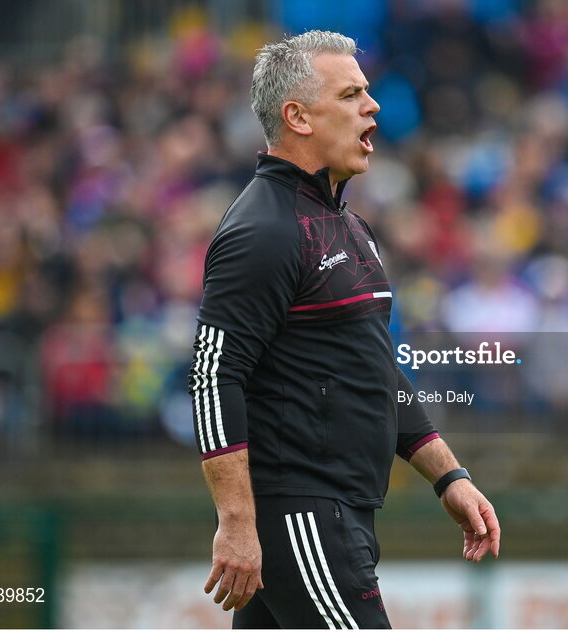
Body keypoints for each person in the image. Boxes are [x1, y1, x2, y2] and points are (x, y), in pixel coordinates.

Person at [188, 30, 501, 629]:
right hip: (301, 516)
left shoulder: (349, 226)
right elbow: (212, 376)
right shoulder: (263, 230)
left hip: (339, 511)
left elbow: (377, 372)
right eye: (353, 93)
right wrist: (236, 520)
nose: (373, 106)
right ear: (298, 116)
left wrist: (449, 477)